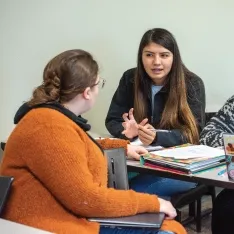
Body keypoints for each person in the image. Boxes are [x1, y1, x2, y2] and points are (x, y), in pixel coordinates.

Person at [0, 50, 186, 234]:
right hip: (49, 223)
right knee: (167, 230)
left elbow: (76, 145)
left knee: (167, 226)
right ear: (87, 92)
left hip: (63, 215)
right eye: (99, 84)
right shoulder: (48, 126)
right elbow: (87, 199)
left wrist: (123, 147)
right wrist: (153, 203)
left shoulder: (50, 118)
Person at [105, 28, 206, 199]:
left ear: (174, 57)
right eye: (149, 55)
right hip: (139, 161)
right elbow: (112, 119)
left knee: (135, 193)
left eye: (164, 55)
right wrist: (128, 132)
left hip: (178, 167)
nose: (156, 62)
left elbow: (194, 133)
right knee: (107, 184)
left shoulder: (192, 83)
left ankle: (156, 221)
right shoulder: (130, 78)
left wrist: (156, 136)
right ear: (141, 56)